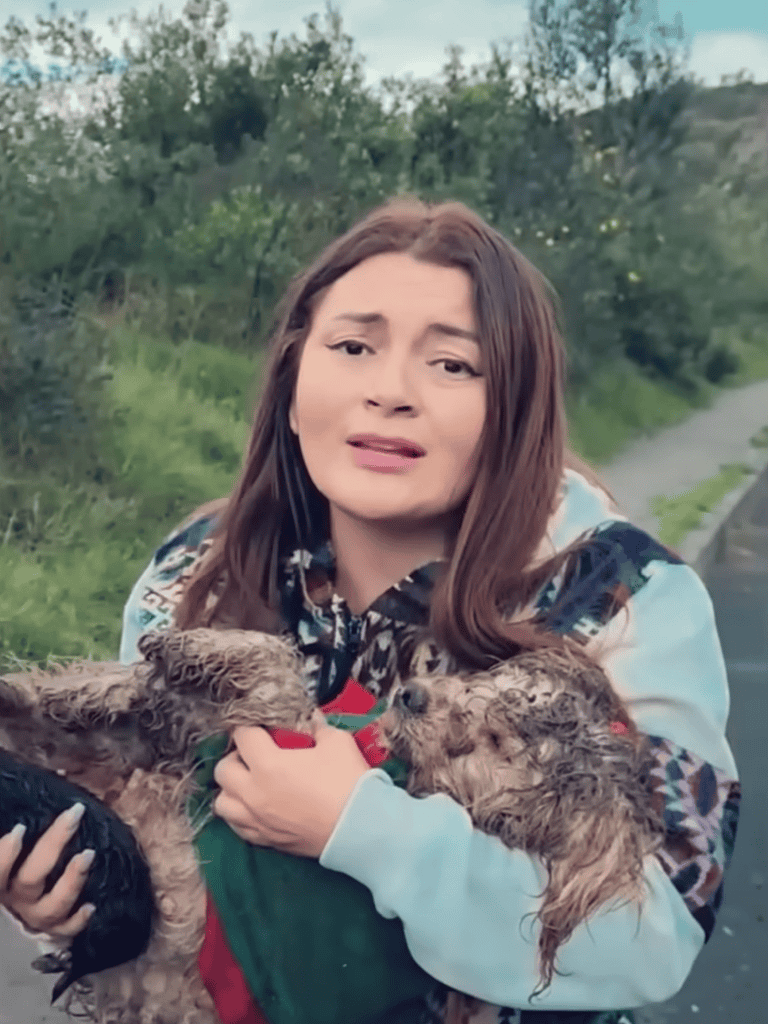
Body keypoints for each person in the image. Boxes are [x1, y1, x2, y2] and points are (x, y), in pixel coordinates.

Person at [0, 198, 741, 1024]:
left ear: (516, 409)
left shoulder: (624, 597)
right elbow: (169, 849)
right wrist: (83, 899)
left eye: (453, 365)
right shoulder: (192, 575)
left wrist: (363, 830)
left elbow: (654, 935)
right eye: (353, 347)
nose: (390, 393)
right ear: (291, 381)